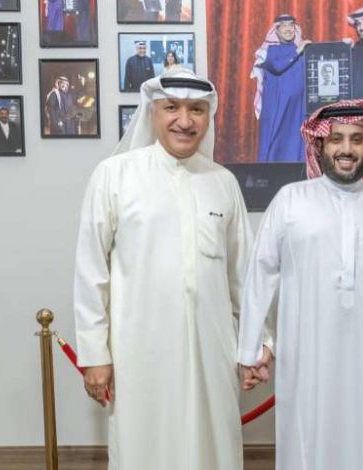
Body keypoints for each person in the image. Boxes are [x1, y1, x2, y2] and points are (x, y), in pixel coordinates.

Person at [237, 99, 363, 470]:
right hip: (305, 361)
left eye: (357, 139)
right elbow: (259, 275)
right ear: (320, 145)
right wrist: (251, 348)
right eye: (336, 139)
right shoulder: (290, 200)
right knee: (307, 443)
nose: (346, 149)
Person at [74, 70, 250, 470]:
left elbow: (243, 277)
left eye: (197, 110)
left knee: (213, 449)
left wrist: (254, 346)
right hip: (139, 351)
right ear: (152, 112)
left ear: (208, 117)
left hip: (212, 351)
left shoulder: (223, 182)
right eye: (172, 108)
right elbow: (90, 272)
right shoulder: (114, 175)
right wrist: (95, 354)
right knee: (144, 448)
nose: (184, 121)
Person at [251, 14, 310, 163]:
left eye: (291, 25)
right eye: (283, 25)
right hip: (278, 110)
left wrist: (345, 46)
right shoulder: (269, 51)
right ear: (276, 31)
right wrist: (297, 52)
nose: (288, 29)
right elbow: (277, 66)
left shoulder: (302, 49)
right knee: (275, 148)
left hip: (298, 110)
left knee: (297, 146)